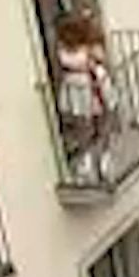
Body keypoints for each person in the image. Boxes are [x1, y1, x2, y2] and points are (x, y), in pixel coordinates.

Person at [51, 12, 114, 183]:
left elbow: (100, 57)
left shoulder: (82, 45)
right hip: (80, 86)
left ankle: (102, 158)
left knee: (101, 121)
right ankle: (91, 159)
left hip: (91, 84)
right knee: (87, 124)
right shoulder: (66, 47)